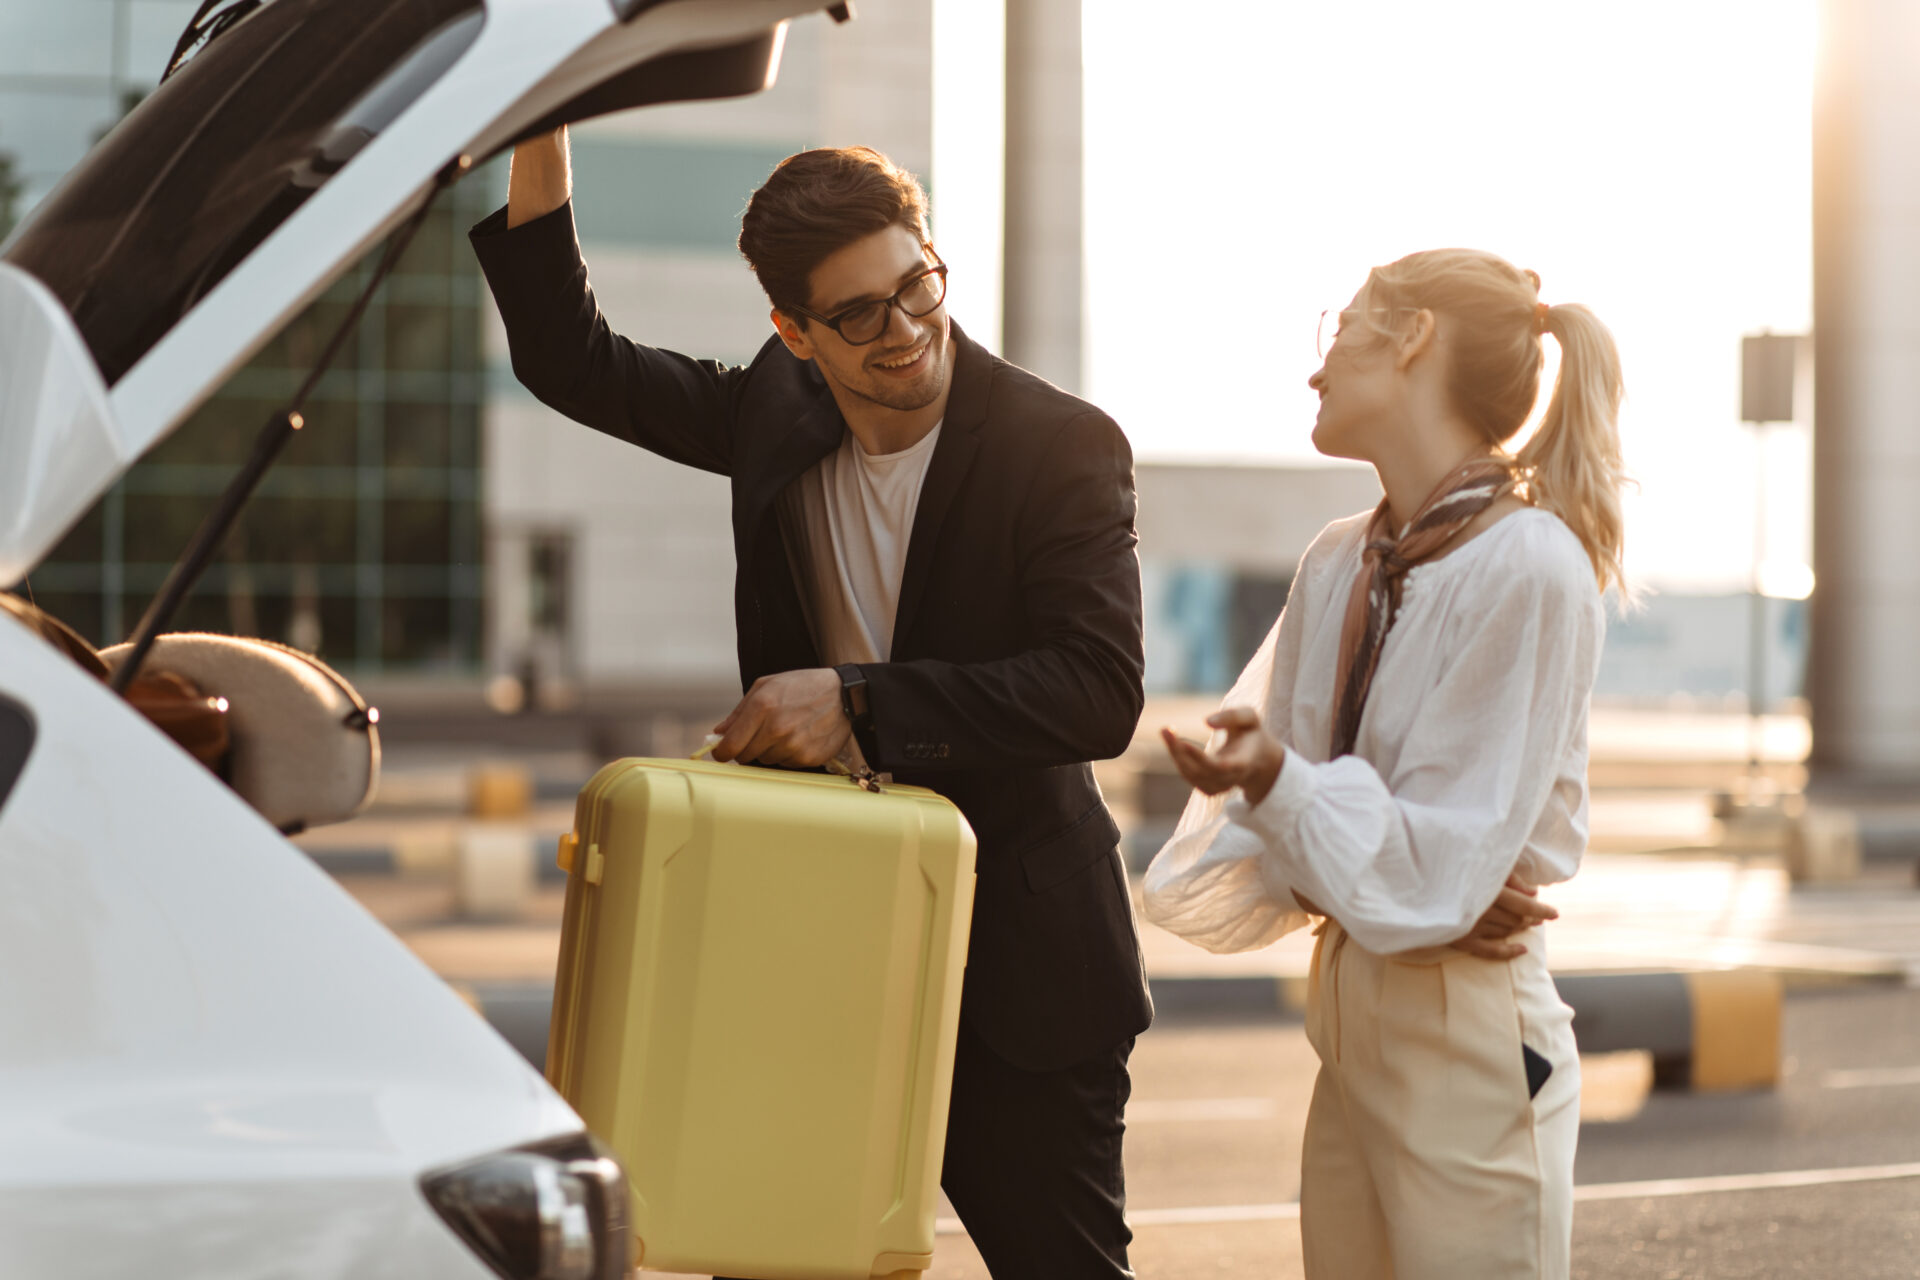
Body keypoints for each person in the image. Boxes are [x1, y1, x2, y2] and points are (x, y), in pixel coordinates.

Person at [471, 131, 1151, 1279]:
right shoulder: (769, 421)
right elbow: (571, 360)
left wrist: (858, 705)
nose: (906, 330)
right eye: (859, 317)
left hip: (1023, 968)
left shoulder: (1062, 446)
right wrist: (544, 134)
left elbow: (1098, 689)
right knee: (780, 1266)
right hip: (817, 955)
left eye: (916, 286)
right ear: (794, 332)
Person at [1142, 248, 1627, 1280]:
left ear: (1414, 339)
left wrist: (1298, 801)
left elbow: (1426, 866)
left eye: (1346, 327)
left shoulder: (1529, 565)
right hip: (1353, 1009)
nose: (1319, 370)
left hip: (1470, 1027)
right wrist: (1345, 845)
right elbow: (1376, 860)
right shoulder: (1341, 557)